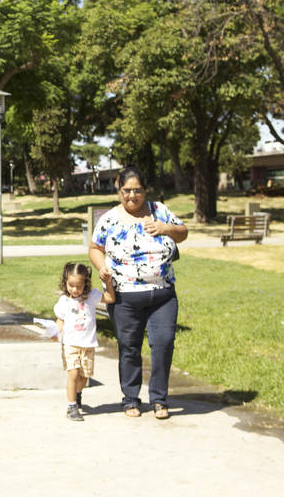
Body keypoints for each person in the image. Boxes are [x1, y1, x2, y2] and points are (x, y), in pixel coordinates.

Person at [89, 165, 187, 420]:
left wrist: (164, 228)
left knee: (163, 345)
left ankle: (159, 400)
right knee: (129, 347)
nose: (132, 196)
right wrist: (102, 268)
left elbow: (183, 232)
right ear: (118, 189)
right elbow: (94, 248)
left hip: (162, 293)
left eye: (137, 191)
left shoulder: (159, 210)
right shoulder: (110, 218)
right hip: (124, 297)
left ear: (145, 190)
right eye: (126, 191)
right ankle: (131, 398)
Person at [54, 262, 115, 421]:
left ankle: (77, 394)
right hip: (70, 344)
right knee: (73, 374)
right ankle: (71, 406)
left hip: (88, 344)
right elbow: (60, 320)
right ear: (65, 282)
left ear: (86, 283)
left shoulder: (92, 296)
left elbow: (110, 298)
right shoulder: (64, 301)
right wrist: (56, 332)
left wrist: (108, 282)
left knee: (84, 377)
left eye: (79, 286)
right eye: (71, 285)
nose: (74, 290)